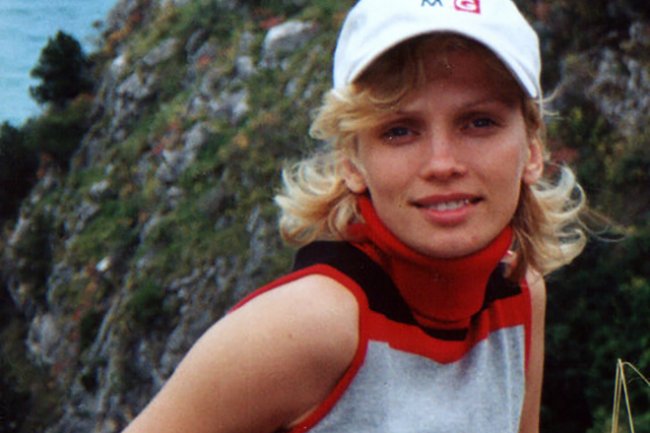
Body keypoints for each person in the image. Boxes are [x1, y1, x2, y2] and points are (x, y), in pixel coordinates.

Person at [123, 0, 588, 432]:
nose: (442, 163)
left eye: (480, 122)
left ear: (532, 150)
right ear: (352, 161)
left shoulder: (520, 294)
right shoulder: (307, 327)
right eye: (399, 131)